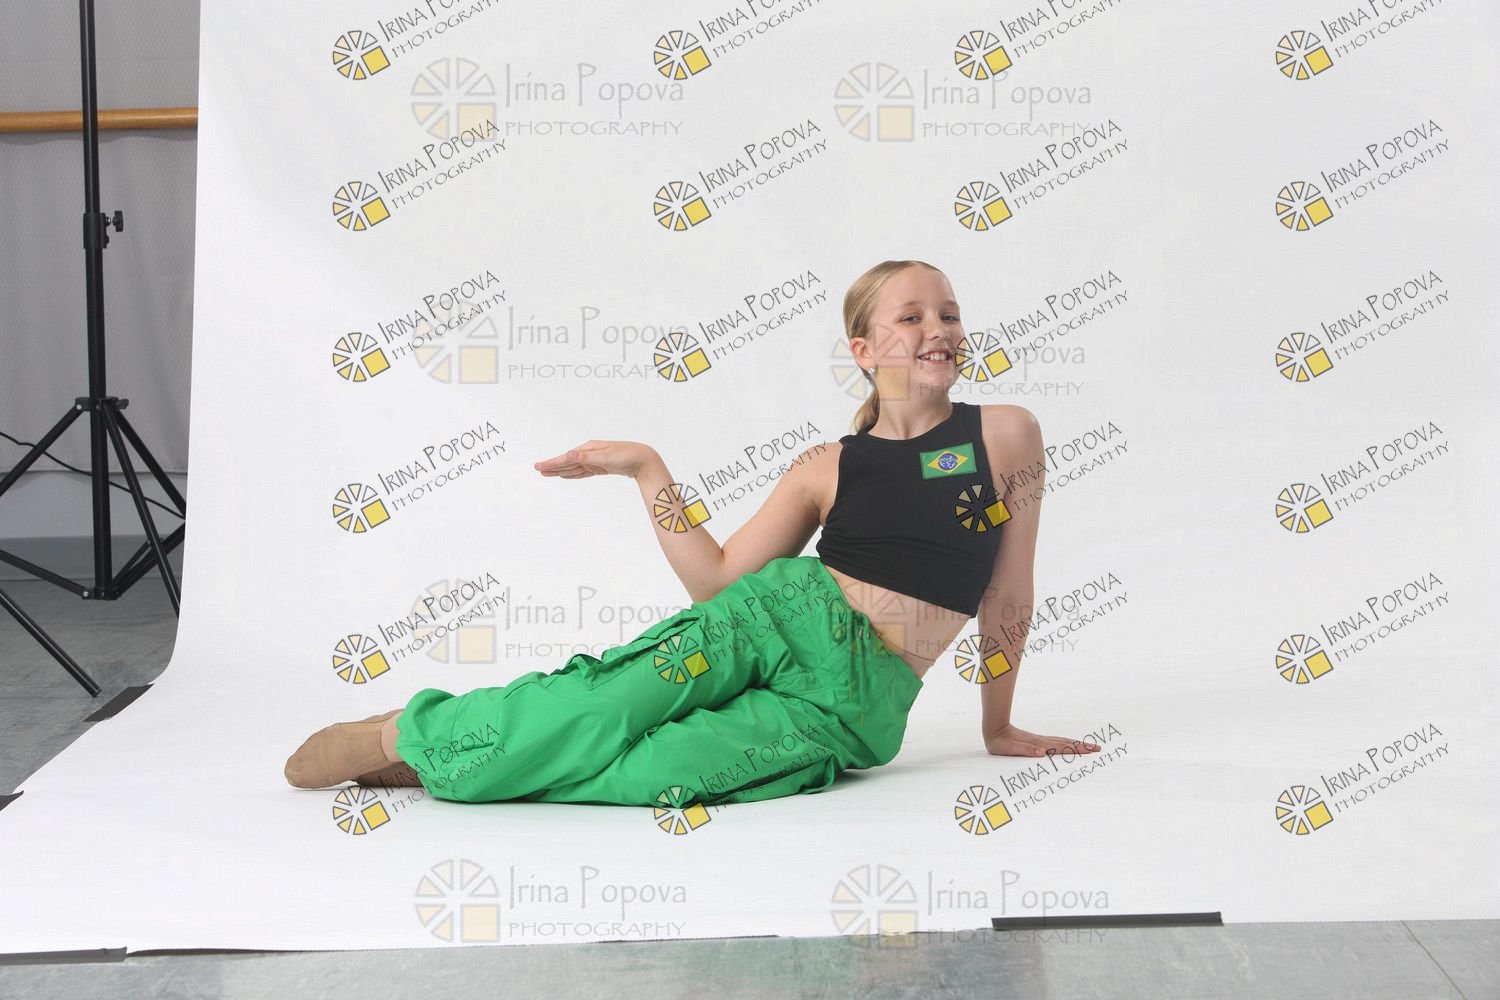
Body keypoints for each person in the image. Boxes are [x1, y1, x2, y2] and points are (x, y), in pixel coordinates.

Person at [284, 259, 1099, 806]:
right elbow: (716, 581)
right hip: (768, 620)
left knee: (665, 773)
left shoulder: (1004, 434)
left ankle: (469, 753)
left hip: (854, 701)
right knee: (599, 707)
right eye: (912, 316)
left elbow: (1009, 591)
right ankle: (410, 732)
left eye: (949, 313)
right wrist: (649, 471)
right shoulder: (826, 467)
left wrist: (997, 725)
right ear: (862, 349)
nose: (940, 327)